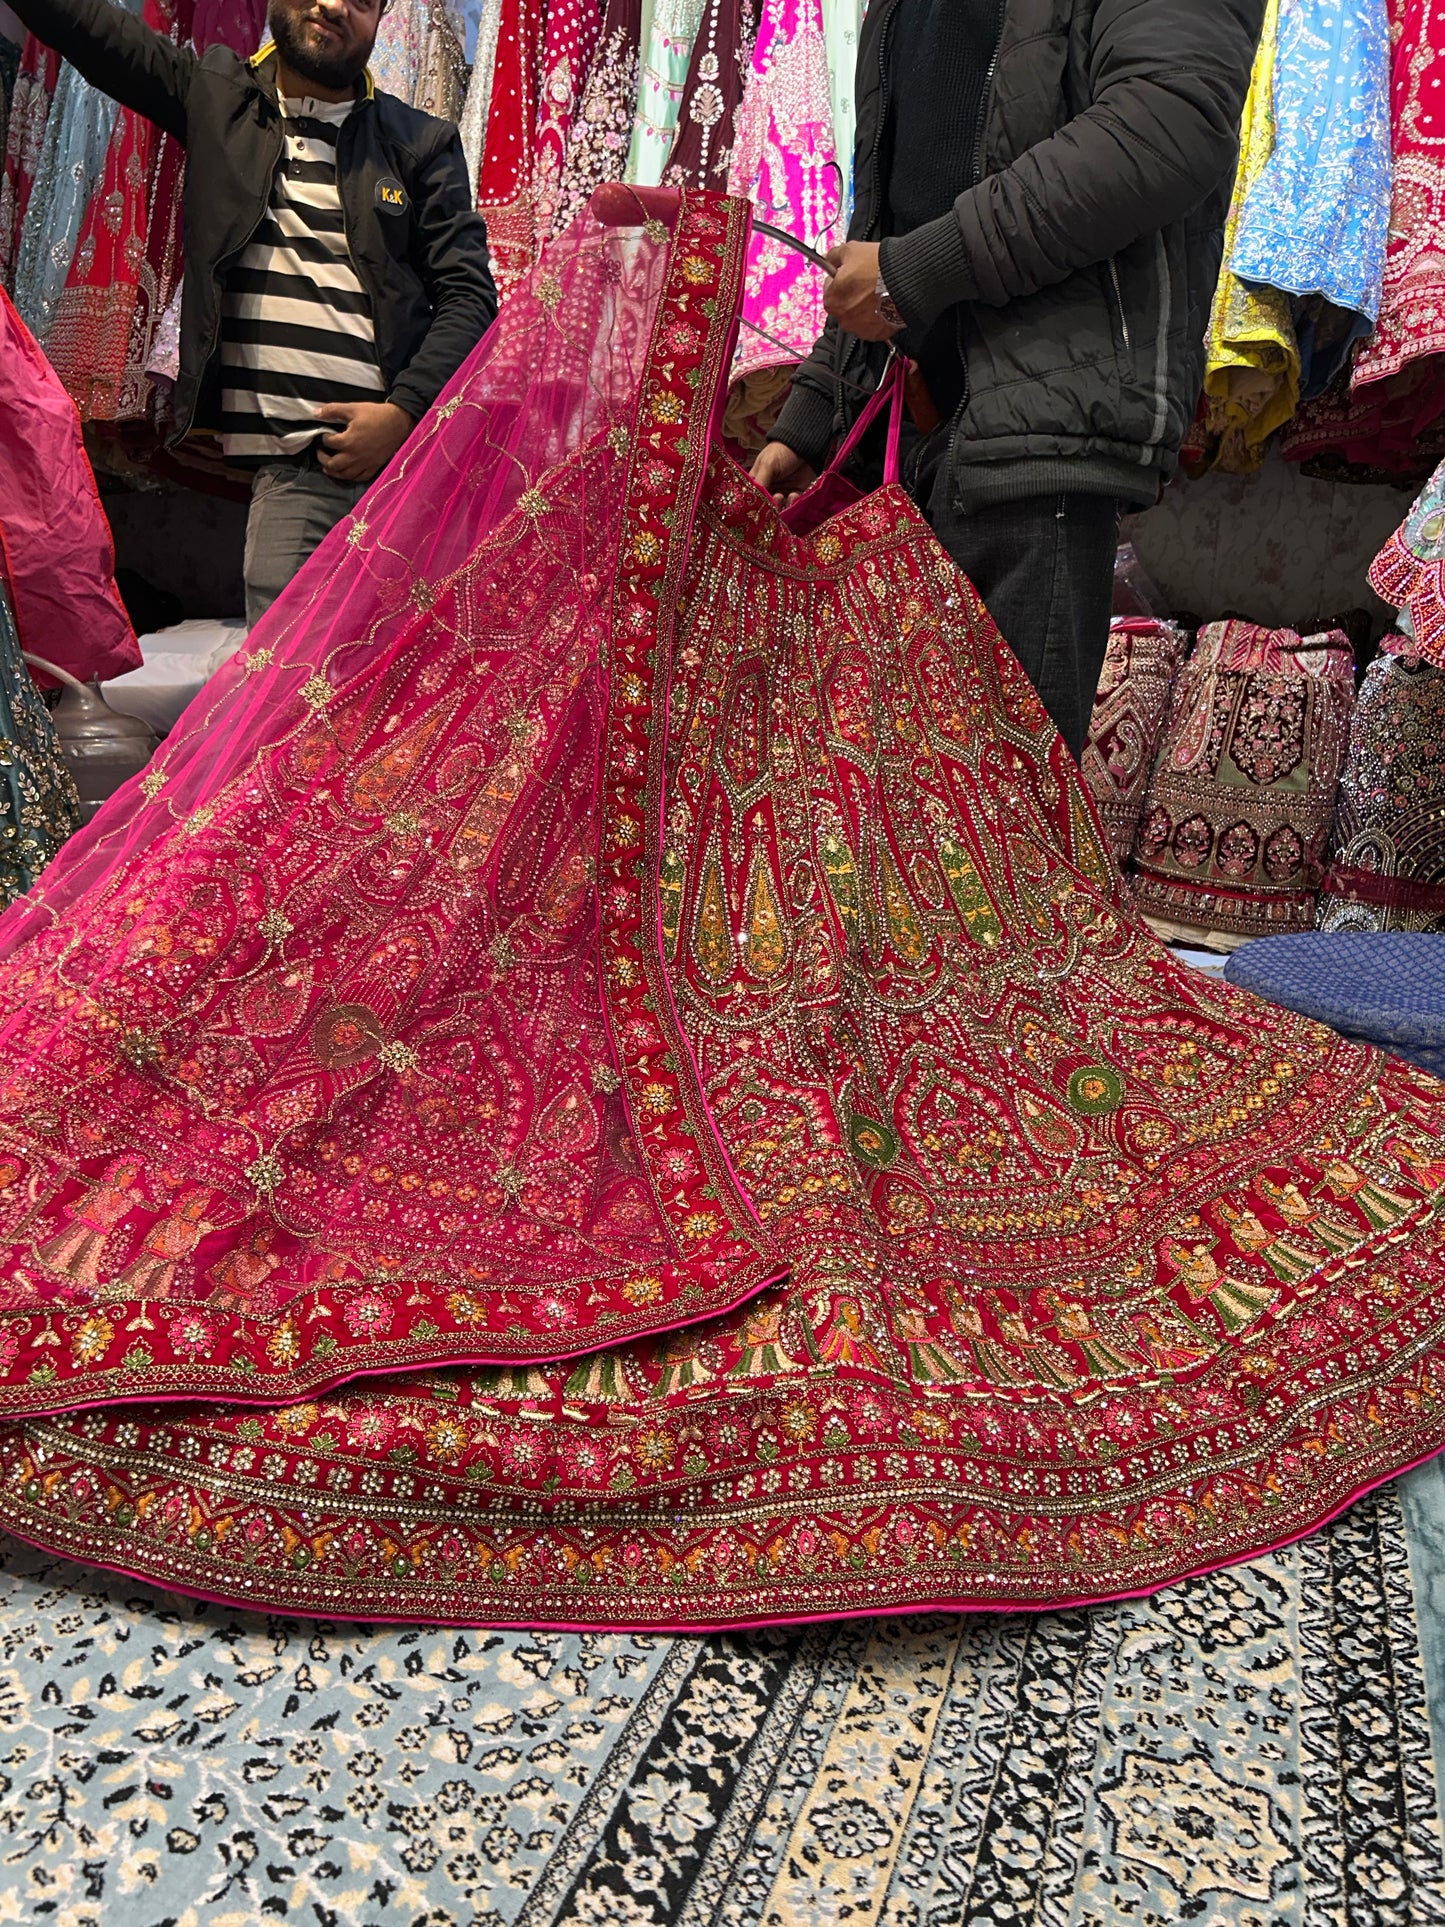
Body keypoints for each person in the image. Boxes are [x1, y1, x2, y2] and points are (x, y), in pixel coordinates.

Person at [751, 0, 1266, 762]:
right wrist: (821, 406)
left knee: (990, 834)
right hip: (901, 439)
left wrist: (908, 274)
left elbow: (1167, 123)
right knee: (853, 827)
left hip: (1033, 440)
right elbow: (895, 195)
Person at [7, 0, 499, 626]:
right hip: (299, 473)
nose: (333, 6)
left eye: (363, 0)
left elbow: (470, 295)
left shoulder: (419, 142)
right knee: (290, 697)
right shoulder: (216, 95)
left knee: (408, 704)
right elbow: (97, 33)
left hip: (413, 481)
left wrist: (403, 416)